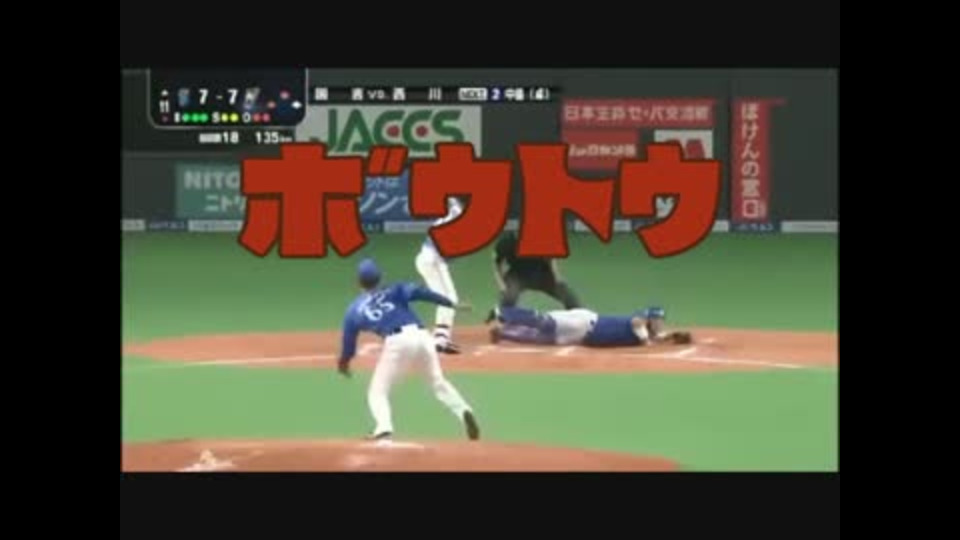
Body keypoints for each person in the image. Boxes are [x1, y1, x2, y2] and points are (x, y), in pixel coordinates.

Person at [337, 258, 480, 442]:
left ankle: (384, 427)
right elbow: (422, 293)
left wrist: (344, 363)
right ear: (380, 278)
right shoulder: (395, 289)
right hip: (423, 336)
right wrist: (450, 304)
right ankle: (464, 410)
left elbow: (349, 343)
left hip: (397, 342)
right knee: (438, 383)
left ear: (358, 282)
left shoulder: (353, 310)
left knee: (377, 391)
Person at [487, 305, 692, 347]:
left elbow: (656, 337)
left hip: (582, 337)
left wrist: (672, 337)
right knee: (544, 323)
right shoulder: (640, 321)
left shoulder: (649, 332)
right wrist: (650, 340)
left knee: (542, 339)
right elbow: (637, 324)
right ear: (651, 318)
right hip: (585, 322)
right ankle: (504, 312)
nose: (660, 323)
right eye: (658, 319)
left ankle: (503, 334)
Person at [488, 231, 583, 319]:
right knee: (509, 296)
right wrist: (502, 285)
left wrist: (557, 276)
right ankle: (499, 319)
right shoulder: (506, 242)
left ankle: (581, 317)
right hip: (517, 276)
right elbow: (497, 265)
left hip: (542, 274)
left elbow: (550, 258)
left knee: (565, 293)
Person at [415, 197, 464, 354]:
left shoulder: (443, 222)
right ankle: (441, 339)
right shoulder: (450, 222)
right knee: (449, 299)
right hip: (432, 262)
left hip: (428, 261)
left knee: (447, 299)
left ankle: (441, 337)